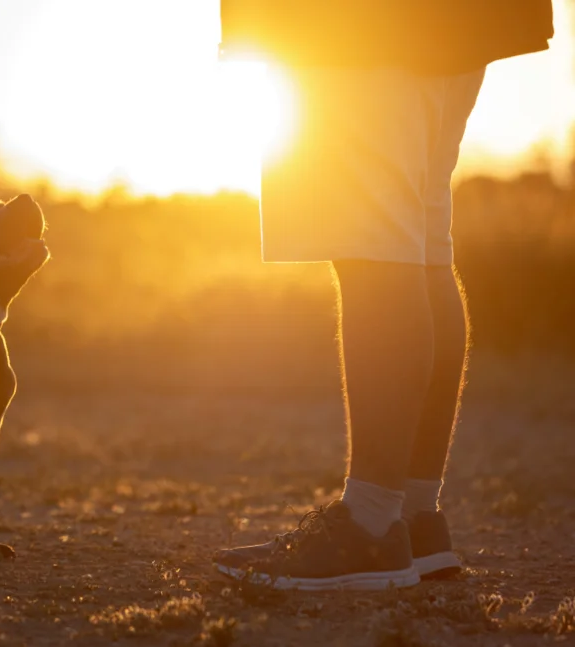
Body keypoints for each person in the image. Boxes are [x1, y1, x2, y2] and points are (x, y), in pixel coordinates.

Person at [212, 1, 555, 590]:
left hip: (357, 25)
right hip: (455, 23)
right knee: (422, 251)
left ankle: (371, 525)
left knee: (375, 252)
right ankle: (414, 516)